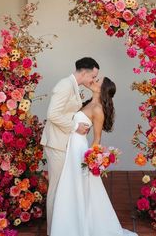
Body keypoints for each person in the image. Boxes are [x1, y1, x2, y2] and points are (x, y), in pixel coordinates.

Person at [50, 77, 138, 236]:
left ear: (102, 89)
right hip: (71, 146)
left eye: (98, 81)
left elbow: (97, 139)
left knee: (78, 186)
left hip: (79, 151)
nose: (94, 80)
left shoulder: (97, 109)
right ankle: (70, 224)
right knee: (70, 185)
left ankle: (79, 226)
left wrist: (92, 160)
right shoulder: (89, 102)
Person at [40, 57, 99, 235]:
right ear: (84, 72)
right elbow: (52, 114)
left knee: (62, 189)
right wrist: (75, 126)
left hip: (64, 143)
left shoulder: (74, 86)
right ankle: (52, 231)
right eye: (93, 76)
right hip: (57, 144)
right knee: (56, 189)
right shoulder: (65, 85)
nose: (94, 80)